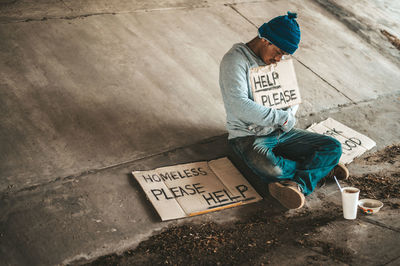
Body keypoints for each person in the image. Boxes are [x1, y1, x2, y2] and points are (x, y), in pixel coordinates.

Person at [219, 11, 349, 209]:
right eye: (278, 52)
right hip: (249, 136)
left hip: (280, 132)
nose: (279, 59)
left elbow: (290, 97)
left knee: (333, 147)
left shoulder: (275, 61)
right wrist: (281, 117)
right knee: (274, 170)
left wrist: (289, 112)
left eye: (284, 55)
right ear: (266, 40)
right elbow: (239, 105)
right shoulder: (235, 61)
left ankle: (298, 184)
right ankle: (318, 169)